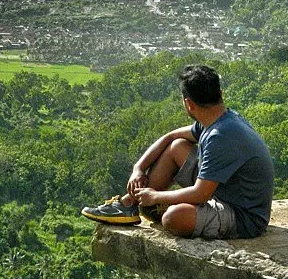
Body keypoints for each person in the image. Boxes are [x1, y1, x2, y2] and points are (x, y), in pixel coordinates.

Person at [81, 64, 274, 239]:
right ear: (220, 93)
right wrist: (138, 168)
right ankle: (129, 204)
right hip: (225, 191)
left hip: (244, 217)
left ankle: (151, 204)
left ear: (189, 103)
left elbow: (201, 194)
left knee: (173, 218)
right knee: (176, 148)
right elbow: (171, 137)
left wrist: (156, 197)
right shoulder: (218, 120)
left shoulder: (220, 136)